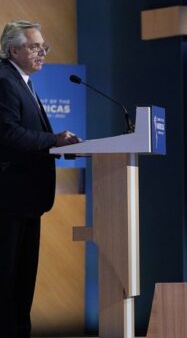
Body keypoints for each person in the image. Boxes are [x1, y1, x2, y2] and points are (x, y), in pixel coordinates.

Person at [0, 20, 80, 337]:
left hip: (25, 200)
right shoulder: (5, 80)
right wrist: (52, 141)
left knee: (21, 283)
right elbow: (7, 133)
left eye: (44, 46)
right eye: (35, 46)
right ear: (13, 50)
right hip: (9, 199)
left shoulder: (23, 81)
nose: (42, 52)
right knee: (7, 282)